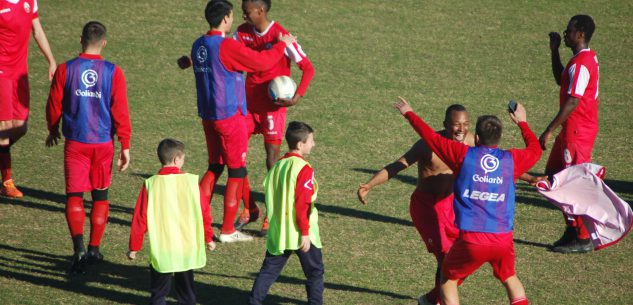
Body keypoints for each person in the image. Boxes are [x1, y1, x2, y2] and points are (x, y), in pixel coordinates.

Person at [394, 97, 541, 305]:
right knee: (510, 278)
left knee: (447, 280)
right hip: (503, 238)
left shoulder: (462, 155)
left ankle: (429, 300)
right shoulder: (511, 160)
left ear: (477, 137)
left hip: (472, 239)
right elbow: (535, 149)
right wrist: (523, 123)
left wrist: (409, 113)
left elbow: (430, 137)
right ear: (498, 138)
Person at [181, 0, 297, 243]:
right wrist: (280, 46)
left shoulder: (198, 44)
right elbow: (261, 63)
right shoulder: (225, 46)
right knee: (236, 171)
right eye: (232, 16)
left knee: (215, 166)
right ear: (225, 19)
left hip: (208, 115)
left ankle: (195, 220)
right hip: (229, 116)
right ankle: (226, 231)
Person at [357, 104, 473, 305]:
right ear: (445, 125)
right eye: (456, 125)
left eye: (465, 124)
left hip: (451, 206)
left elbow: (498, 162)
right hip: (426, 207)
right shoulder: (427, 145)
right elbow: (397, 165)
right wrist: (369, 184)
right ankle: (441, 301)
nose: (461, 129)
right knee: (446, 258)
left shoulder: (472, 141)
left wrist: (528, 178)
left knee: (463, 259)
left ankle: (430, 299)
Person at [45, 21, 131, 274]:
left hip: (76, 143)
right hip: (103, 143)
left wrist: (53, 128)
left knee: (74, 196)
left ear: (80, 39)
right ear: (104, 42)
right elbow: (121, 111)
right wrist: (125, 144)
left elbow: (54, 104)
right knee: (100, 196)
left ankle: (78, 249)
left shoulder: (65, 69)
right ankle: (94, 249)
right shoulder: (114, 72)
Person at [233, 0, 316, 235]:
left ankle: (273, 213)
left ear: (260, 11)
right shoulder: (241, 33)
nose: (243, 14)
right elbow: (226, 55)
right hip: (247, 106)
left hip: (272, 108)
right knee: (235, 156)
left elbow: (308, 68)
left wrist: (297, 97)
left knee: (272, 161)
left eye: (247, 10)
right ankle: (250, 208)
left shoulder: (281, 35)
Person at [533, 15, 599, 254]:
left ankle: (583, 236)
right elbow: (561, 81)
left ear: (580, 34)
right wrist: (554, 51)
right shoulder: (580, 60)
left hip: (577, 132)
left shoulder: (582, 64)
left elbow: (573, 100)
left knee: (572, 183)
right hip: (570, 130)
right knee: (553, 175)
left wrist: (549, 129)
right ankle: (572, 229)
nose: (565, 32)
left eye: (569, 30)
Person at [128, 139, 216, 305]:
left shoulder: (151, 184)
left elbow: (140, 218)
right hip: (186, 245)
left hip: (162, 247)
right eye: (183, 158)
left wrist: (134, 246)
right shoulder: (190, 182)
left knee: (158, 293)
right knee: (187, 292)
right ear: (177, 160)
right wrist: (208, 238)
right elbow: (204, 213)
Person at [249, 121, 324, 305]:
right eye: (311, 141)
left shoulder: (277, 166)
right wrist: (305, 233)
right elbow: (302, 203)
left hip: (279, 231)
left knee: (268, 271)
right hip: (301, 232)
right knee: (315, 272)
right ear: (300, 144)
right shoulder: (304, 169)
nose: (313, 144)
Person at [0, 0, 56, 198]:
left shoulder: (30, 1)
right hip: (2, 71)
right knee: (4, 126)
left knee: (20, 127)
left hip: (19, 72)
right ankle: (7, 182)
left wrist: (51, 60)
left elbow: (37, 30)